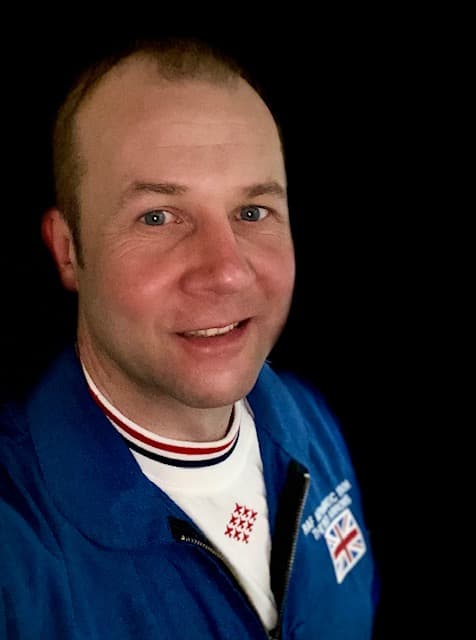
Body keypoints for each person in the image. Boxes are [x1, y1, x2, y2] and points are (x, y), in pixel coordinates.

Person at [0, 36, 378, 639]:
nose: (226, 271)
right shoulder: (17, 548)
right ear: (69, 250)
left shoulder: (311, 422)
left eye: (252, 212)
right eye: (158, 217)